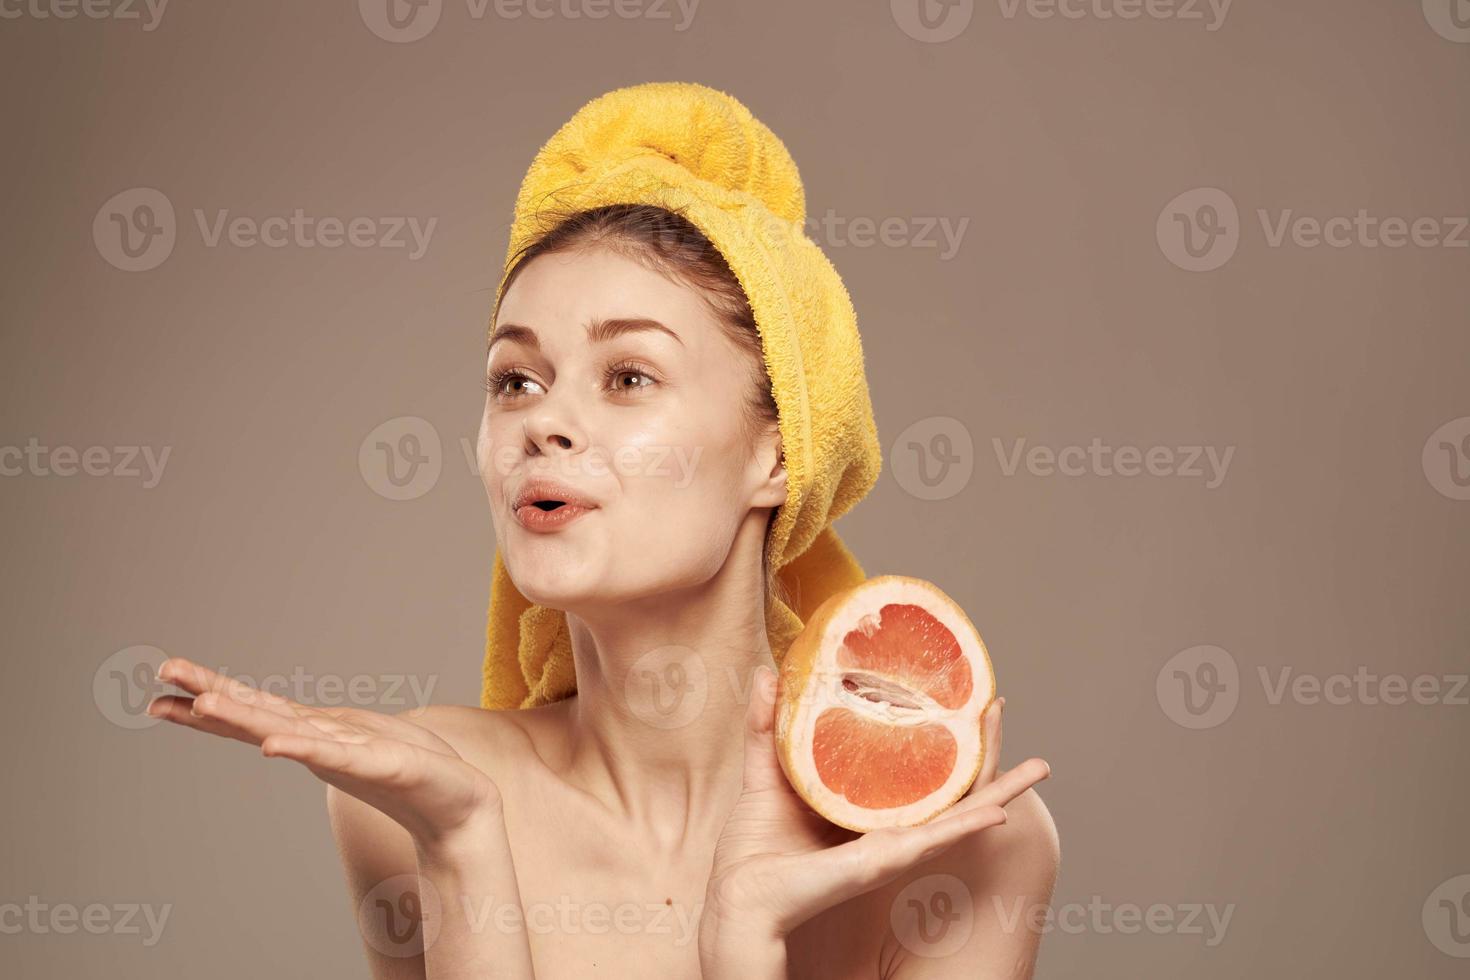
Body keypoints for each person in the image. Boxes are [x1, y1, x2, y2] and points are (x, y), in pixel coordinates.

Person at [148, 84, 1058, 979]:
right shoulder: (413, 791)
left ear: (781, 456)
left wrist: (744, 947)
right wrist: (463, 843)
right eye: (516, 379)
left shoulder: (954, 843)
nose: (544, 422)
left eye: (628, 377)